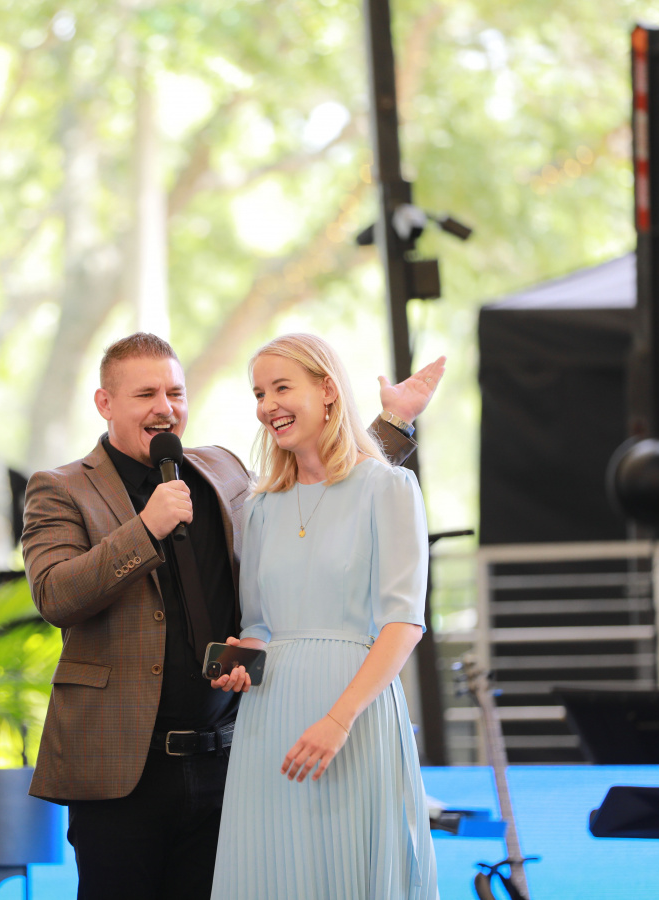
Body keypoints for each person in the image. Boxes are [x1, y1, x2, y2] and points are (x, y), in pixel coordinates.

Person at [21, 332, 442, 899]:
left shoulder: (223, 471)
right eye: (145, 394)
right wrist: (144, 529)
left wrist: (392, 423)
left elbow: (329, 495)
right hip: (125, 771)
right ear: (105, 402)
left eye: (175, 392)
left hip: (235, 756)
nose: (164, 408)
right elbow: (55, 595)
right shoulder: (62, 488)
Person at [208, 333, 438, 900]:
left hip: (352, 715)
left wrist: (338, 720)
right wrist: (246, 655)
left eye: (281, 388)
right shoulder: (261, 506)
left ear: (328, 390)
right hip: (269, 721)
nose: (268, 405)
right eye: (259, 393)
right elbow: (259, 623)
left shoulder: (387, 486)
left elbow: (404, 623)